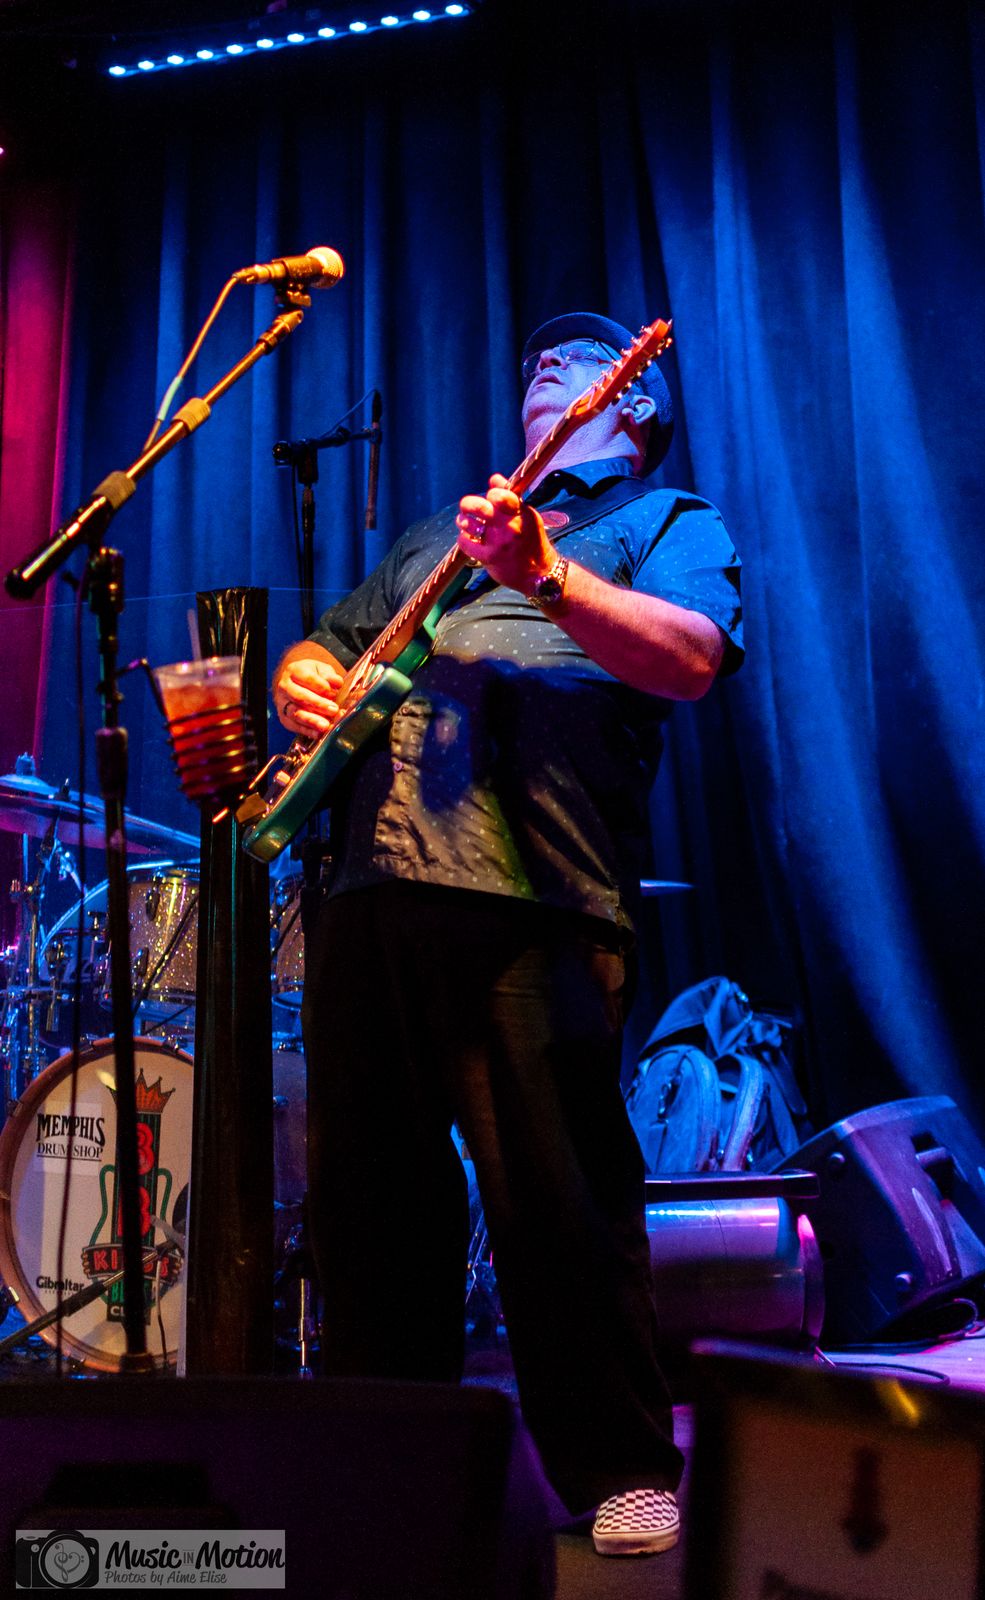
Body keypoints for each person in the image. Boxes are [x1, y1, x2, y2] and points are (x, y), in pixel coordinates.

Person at [273, 312, 743, 1556]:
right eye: (536, 356)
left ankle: (619, 1466)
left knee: (558, 1197)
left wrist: (547, 577)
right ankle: (392, 1466)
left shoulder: (664, 521)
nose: (545, 363)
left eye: (579, 358)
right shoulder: (435, 533)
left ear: (632, 403)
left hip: (531, 891)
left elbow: (692, 659)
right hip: (368, 890)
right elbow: (323, 650)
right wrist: (297, 678)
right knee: (369, 1205)